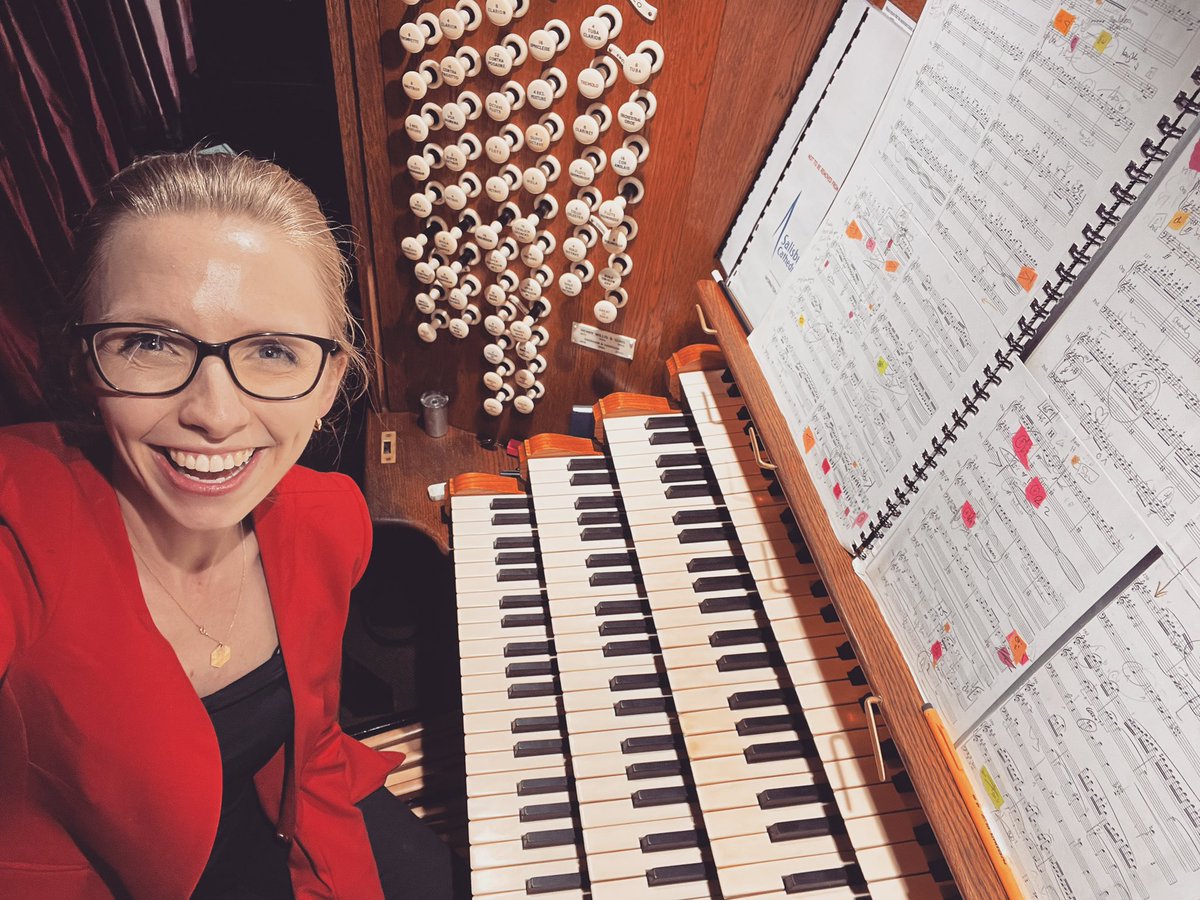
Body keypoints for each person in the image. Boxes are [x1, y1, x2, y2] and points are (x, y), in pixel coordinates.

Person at [0, 151, 455, 898]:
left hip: (288, 821)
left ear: (330, 381)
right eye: (148, 342)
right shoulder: (20, 532)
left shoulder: (331, 521)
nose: (213, 414)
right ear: (87, 362)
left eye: (273, 351)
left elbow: (310, 747)